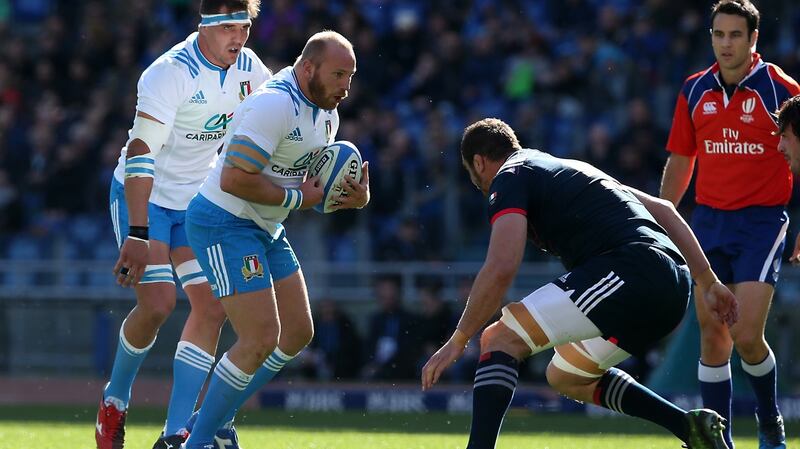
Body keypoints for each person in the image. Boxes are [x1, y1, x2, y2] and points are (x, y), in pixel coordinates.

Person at [421, 118, 739, 449]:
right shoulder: (567, 167)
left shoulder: (510, 175)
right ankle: (690, 428)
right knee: (566, 374)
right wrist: (708, 281)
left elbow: (502, 266)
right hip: (672, 285)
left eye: (476, 180)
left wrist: (459, 339)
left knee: (499, 338)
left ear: (479, 163)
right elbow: (664, 210)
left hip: (632, 269)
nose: (482, 188)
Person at [95, 2, 271, 449]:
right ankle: (114, 401)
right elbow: (139, 153)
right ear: (204, 27)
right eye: (229, 27)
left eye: (245, 27)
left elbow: (276, 120)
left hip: (195, 205)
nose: (239, 38)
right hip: (146, 199)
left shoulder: (251, 70)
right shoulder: (168, 73)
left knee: (211, 307)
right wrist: (137, 233)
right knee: (156, 304)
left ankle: (176, 435)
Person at [181, 30, 369, 449]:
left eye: (350, 77)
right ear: (307, 67)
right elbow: (233, 179)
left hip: (264, 225)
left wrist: (349, 196)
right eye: (339, 74)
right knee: (260, 338)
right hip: (223, 220)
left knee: (298, 332)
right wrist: (302, 198)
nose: (346, 86)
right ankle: (198, 440)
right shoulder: (275, 105)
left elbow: (306, 185)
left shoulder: (326, 114)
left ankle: (211, 419)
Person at [659, 2, 799, 447]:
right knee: (712, 333)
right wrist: (663, 216)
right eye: (718, 34)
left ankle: (769, 420)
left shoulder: (782, 89)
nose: (725, 44)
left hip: (762, 223)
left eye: (735, 35)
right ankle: (716, 435)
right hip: (708, 222)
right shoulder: (693, 90)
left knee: (745, 335)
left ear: (753, 39)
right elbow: (682, 160)